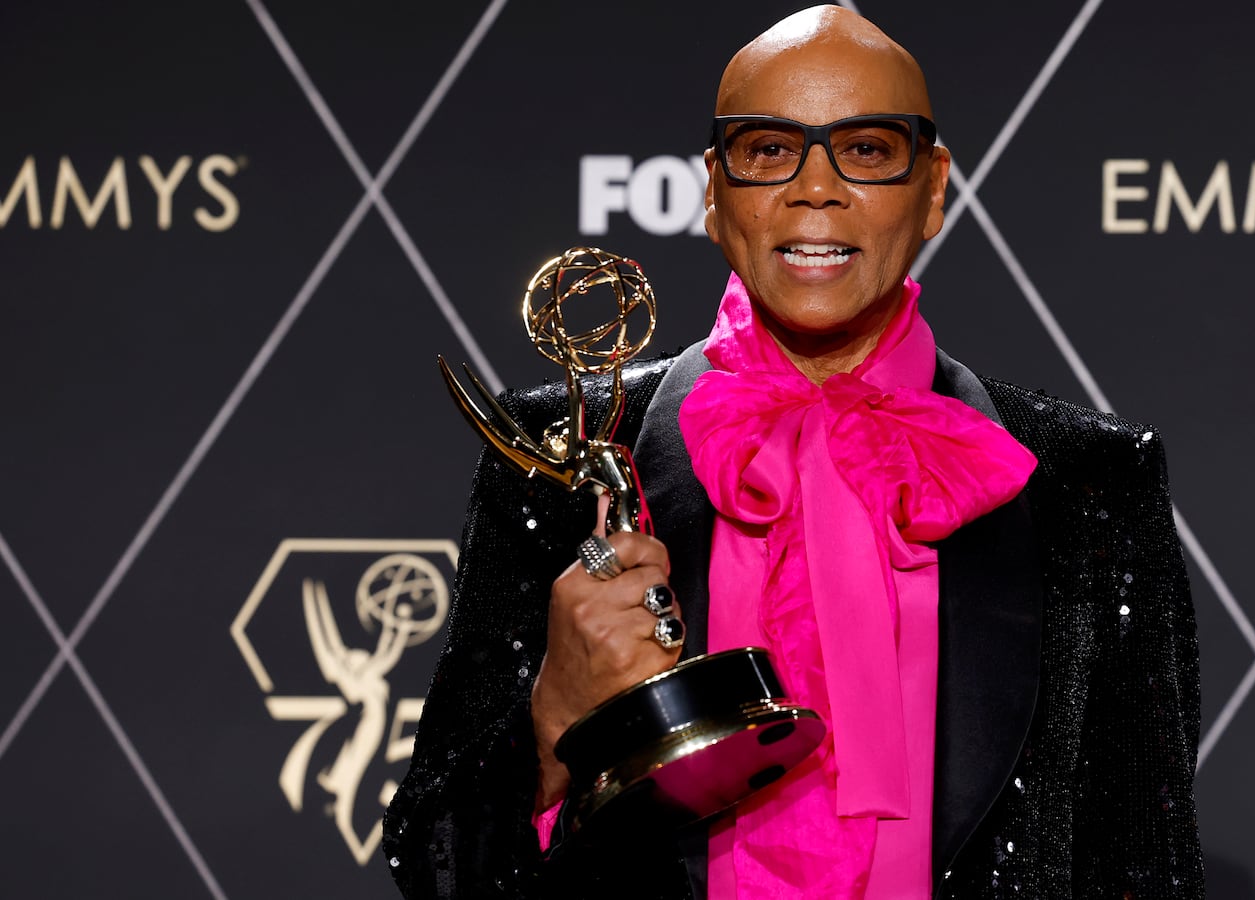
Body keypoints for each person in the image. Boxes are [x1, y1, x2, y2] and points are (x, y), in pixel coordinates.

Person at [384, 6, 1202, 898]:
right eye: (770, 149)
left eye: (867, 149)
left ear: (932, 188)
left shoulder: (1090, 482)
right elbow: (438, 870)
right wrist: (553, 723)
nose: (816, 188)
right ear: (712, 189)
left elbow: (1144, 869)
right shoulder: (569, 459)